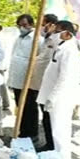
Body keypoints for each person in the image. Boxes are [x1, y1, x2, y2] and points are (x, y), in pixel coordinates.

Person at [37, 21, 80, 159]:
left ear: (67, 34)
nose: (53, 35)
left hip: (61, 99)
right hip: (57, 97)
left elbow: (65, 78)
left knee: (60, 133)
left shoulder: (69, 51)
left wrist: (52, 98)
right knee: (57, 132)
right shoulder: (61, 48)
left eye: (57, 32)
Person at [8, 14, 42, 142]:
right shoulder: (19, 38)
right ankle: (23, 131)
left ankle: (32, 133)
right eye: (20, 25)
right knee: (20, 106)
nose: (22, 27)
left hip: (29, 80)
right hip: (17, 79)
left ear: (31, 24)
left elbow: (39, 60)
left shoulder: (37, 39)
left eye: (25, 25)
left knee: (30, 108)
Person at [29, 14, 58, 151]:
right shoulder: (46, 39)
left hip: (49, 86)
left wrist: (33, 62)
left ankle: (52, 145)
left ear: (50, 24)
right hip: (40, 85)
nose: (40, 27)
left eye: (42, 23)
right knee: (45, 117)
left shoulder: (56, 41)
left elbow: (45, 61)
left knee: (50, 117)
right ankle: (49, 144)